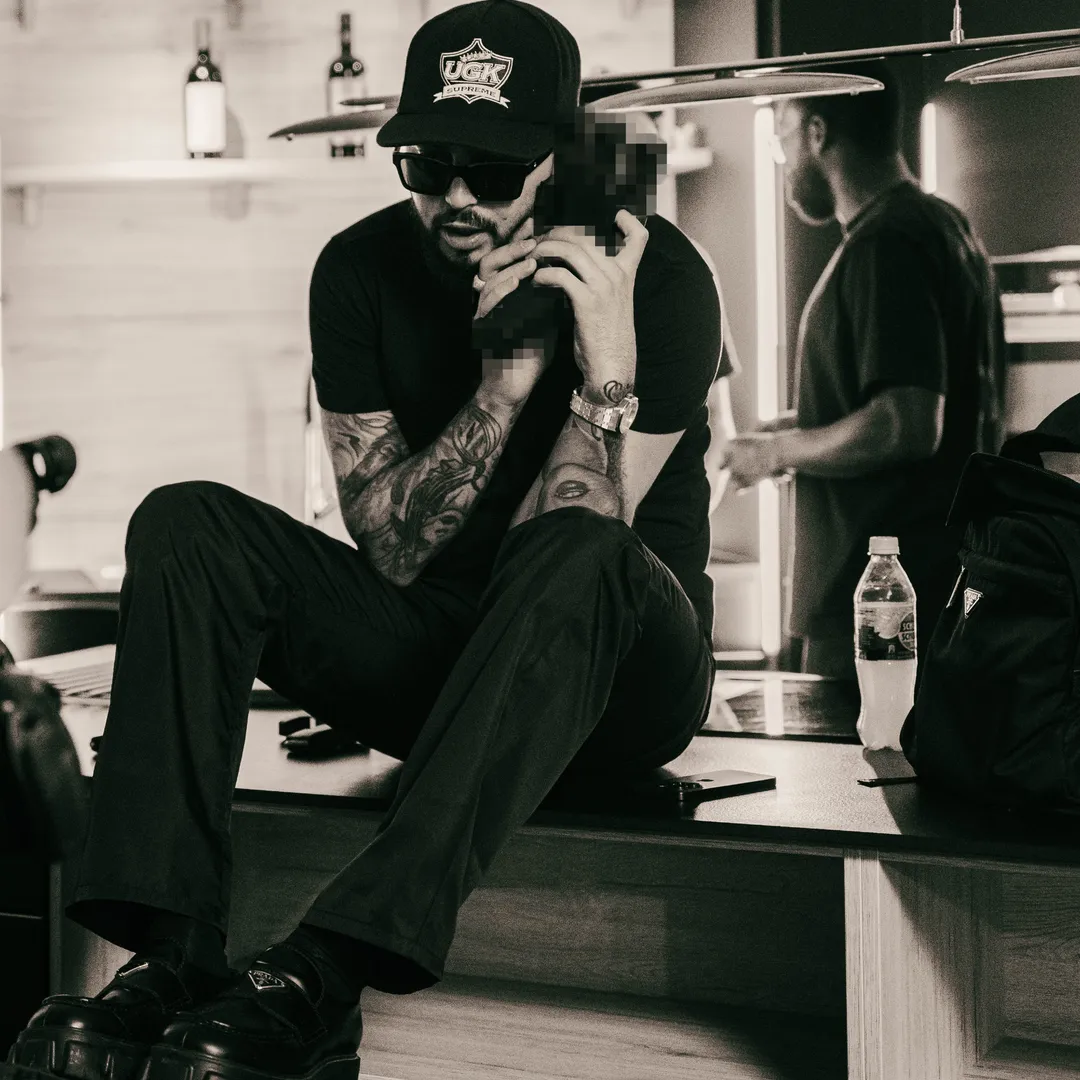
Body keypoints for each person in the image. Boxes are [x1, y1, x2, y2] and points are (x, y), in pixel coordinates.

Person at [6, 4, 730, 1080]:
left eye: (494, 172)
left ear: (556, 158)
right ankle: (170, 953)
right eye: (429, 165)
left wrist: (603, 370)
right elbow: (391, 547)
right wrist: (509, 372)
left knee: (577, 549)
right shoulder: (357, 271)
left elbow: (569, 539)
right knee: (185, 520)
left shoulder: (657, 279)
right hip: (441, 660)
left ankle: (327, 968)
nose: (457, 198)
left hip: (621, 679)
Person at [722, 62, 1006, 678]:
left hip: (880, 599)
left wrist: (777, 453)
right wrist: (799, 426)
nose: (781, 158)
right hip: (929, 584)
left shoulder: (886, 244)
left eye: (782, 136)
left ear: (817, 132)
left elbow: (907, 424)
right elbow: (916, 400)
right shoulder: (944, 226)